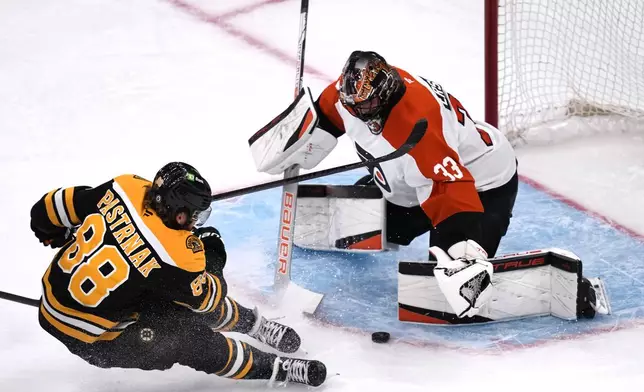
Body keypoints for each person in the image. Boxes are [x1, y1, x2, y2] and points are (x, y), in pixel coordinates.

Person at [30, 162, 326, 387]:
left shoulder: (125, 187)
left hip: (54, 301)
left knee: (165, 292)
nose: (195, 223)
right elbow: (210, 297)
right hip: (95, 340)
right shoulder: (176, 254)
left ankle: (254, 325)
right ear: (178, 211)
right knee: (189, 340)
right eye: (195, 216)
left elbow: (49, 209)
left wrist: (51, 234)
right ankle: (276, 367)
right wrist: (213, 251)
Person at [308, 50, 518, 317]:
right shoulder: (351, 94)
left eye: (366, 106)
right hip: (415, 183)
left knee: (446, 298)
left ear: (385, 93)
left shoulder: (419, 124)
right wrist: (294, 138)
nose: (359, 113)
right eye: (353, 107)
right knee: (354, 220)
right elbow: (326, 115)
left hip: (480, 186)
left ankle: (488, 274)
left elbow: (449, 189)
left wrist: (461, 255)